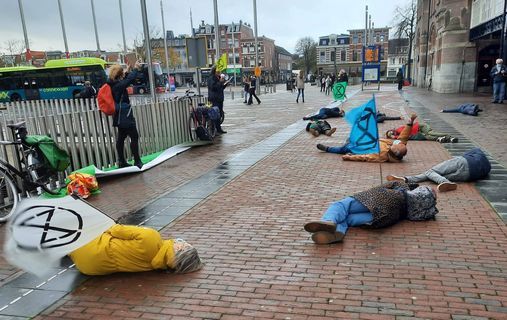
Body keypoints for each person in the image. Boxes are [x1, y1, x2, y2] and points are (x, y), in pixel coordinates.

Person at [304, 181, 438, 244]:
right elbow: (419, 216)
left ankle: (329, 221)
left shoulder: (405, 187)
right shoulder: (423, 212)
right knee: (348, 218)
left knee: (341, 205)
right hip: (389, 218)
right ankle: (337, 233)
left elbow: (393, 183)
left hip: (384, 198)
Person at [69, 224, 203, 275]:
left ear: (180, 248)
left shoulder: (152, 237)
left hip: (85, 245)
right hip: (88, 268)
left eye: (186, 244)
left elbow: (115, 229)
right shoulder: (153, 266)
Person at [317, 113, 418, 163]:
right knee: (353, 139)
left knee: (344, 148)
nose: (396, 142)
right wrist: (410, 122)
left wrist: (350, 158)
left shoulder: (382, 155)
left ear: (395, 151)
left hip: (360, 149)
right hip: (366, 142)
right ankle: (349, 140)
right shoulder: (396, 145)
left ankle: (328, 149)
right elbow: (404, 136)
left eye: (397, 145)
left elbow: (365, 157)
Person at [386, 148, 491, 192]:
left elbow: (464, 155)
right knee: (433, 176)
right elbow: (484, 173)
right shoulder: (487, 167)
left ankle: (444, 182)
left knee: (430, 171)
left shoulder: (477, 151)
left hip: (463, 162)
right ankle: (406, 179)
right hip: (469, 175)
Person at [108, 63, 143, 169]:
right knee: (134, 136)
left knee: (121, 137)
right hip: (125, 115)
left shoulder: (113, 83)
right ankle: (137, 161)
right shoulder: (118, 85)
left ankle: (122, 161)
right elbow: (128, 80)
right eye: (122, 72)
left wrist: (127, 71)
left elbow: (125, 80)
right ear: (119, 75)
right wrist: (136, 69)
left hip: (119, 115)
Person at [385, 122, 458, 143]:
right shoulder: (398, 134)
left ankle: (449, 136)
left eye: (391, 132)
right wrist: (394, 137)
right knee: (429, 137)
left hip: (422, 127)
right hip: (419, 131)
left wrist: (394, 137)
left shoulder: (398, 130)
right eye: (390, 135)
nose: (391, 134)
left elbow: (403, 135)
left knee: (431, 134)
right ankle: (449, 139)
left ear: (392, 130)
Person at [207, 66, 228, 134]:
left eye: (219, 72)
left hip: (219, 99)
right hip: (215, 99)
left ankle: (218, 129)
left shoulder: (217, 78)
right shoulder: (211, 78)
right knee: (215, 114)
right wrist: (220, 82)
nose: (219, 73)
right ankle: (216, 129)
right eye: (218, 72)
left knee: (219, 114)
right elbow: (213, 87)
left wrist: (224, 84)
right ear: (214, 71)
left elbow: (220, 88)